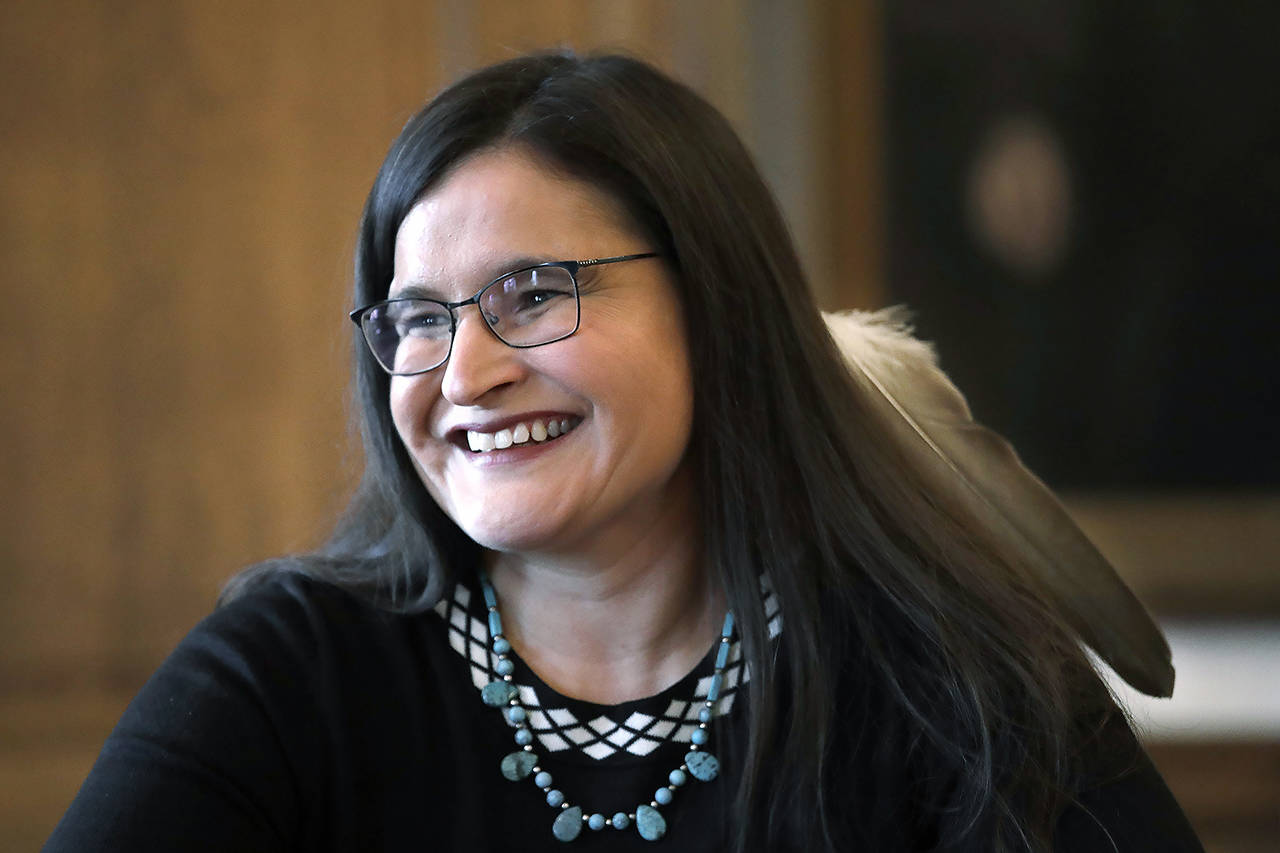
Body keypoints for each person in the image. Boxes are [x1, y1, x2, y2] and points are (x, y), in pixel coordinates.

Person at [45, 52, 1203, 852]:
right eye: (419, 319)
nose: (463, 374)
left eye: (533, 292)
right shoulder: (289, 673)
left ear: (714, 302)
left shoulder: (945, 676)